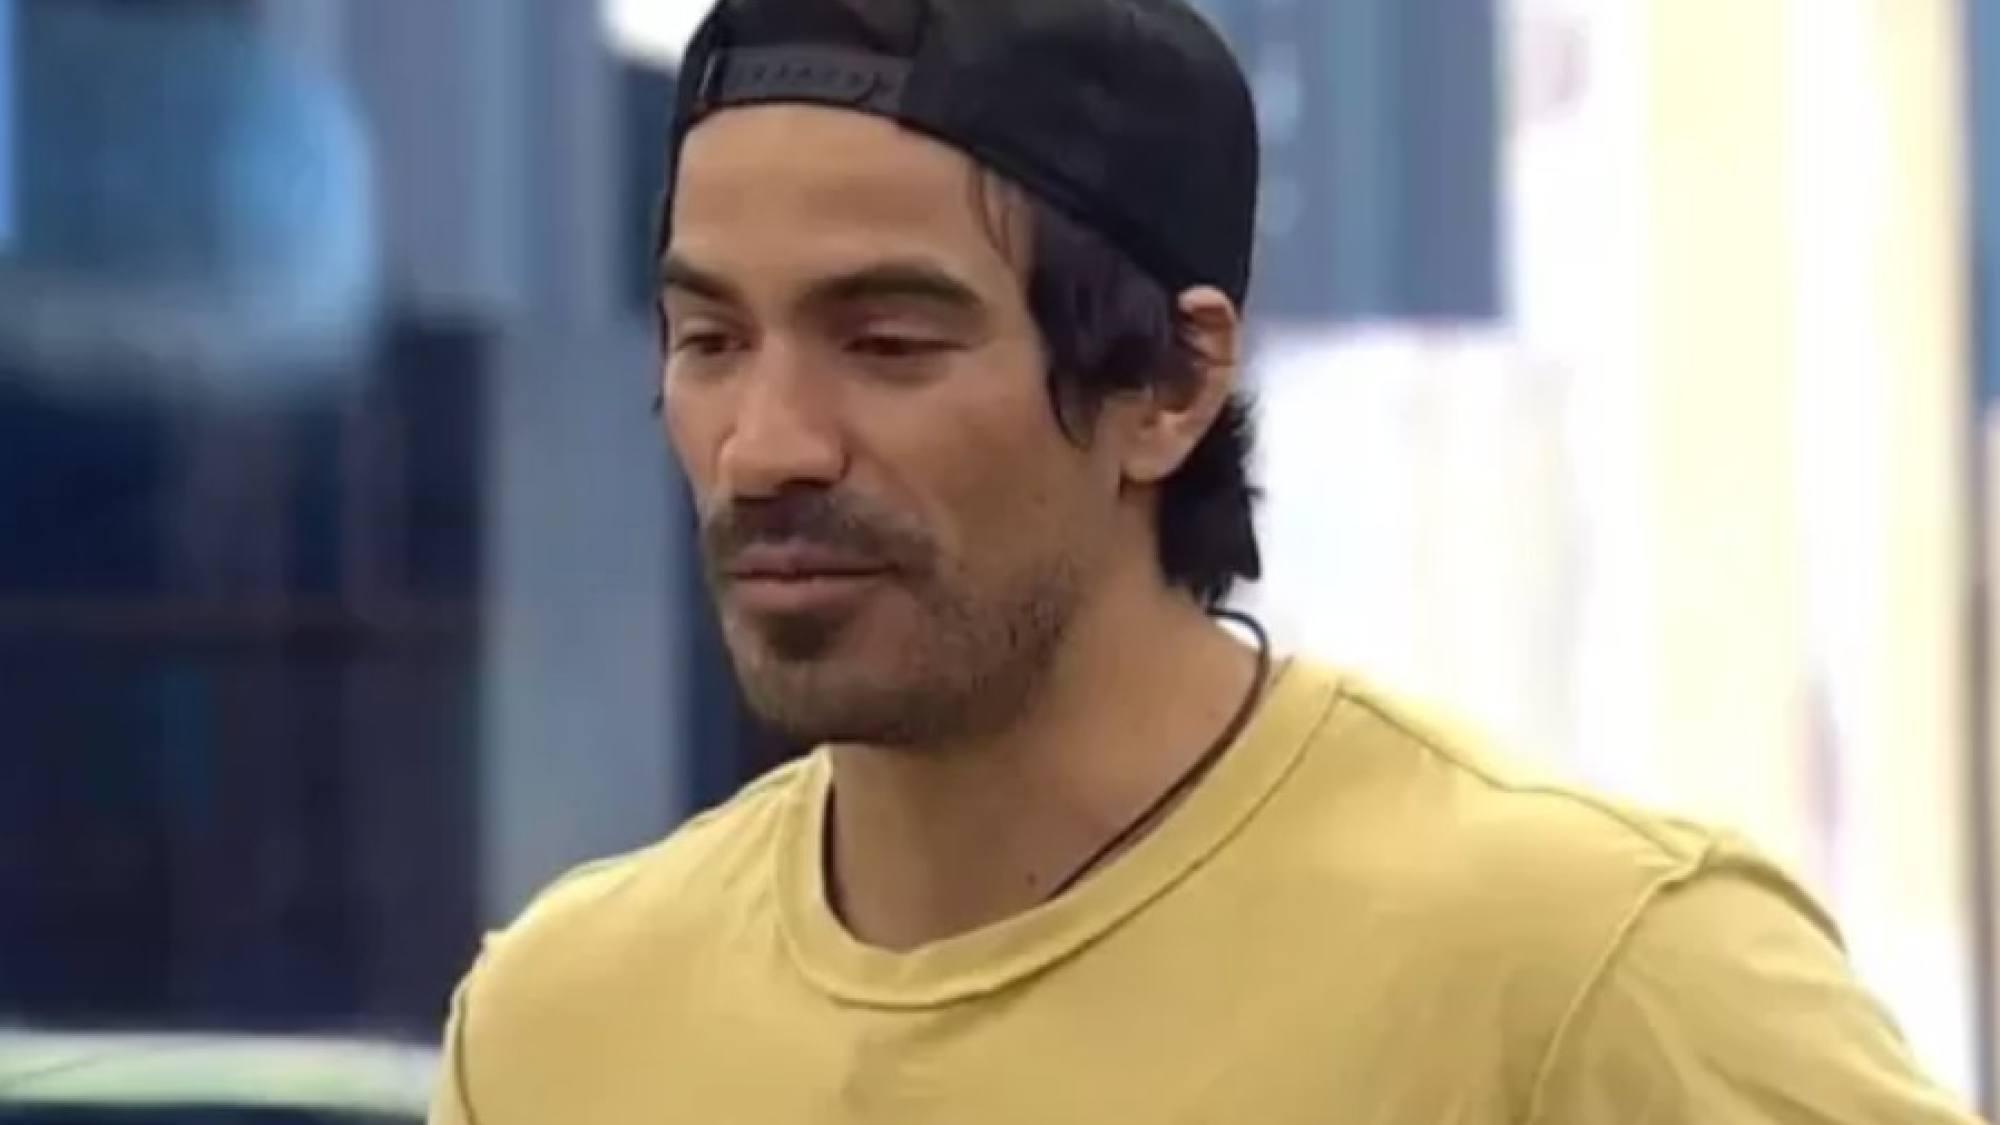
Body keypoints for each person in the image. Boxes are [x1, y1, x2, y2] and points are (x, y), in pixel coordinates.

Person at [430, 0, 1983, 1120]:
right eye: (710, 338)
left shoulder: (1588, 968)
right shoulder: (561, 1029)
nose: (765, 444)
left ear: (1168, 384)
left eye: (889, 341)